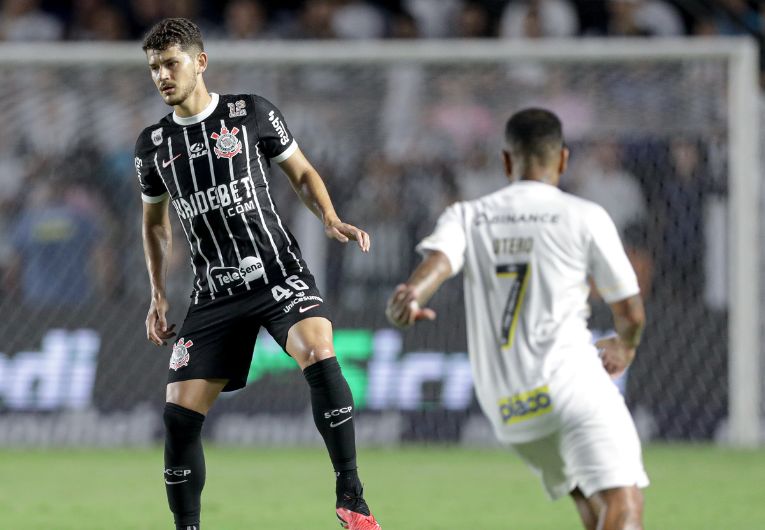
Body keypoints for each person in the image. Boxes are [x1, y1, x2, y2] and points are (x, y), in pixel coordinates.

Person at [134, 18, 380, 530]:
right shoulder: (153, 145)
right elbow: (155, 225)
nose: (161, 75)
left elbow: (303, 173)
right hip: (214, 293)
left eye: (171, 63)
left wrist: (330, 218)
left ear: (200, 62)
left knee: (317, 348)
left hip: (275, 274)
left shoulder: (250, 113)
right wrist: (158, 295)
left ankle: (352, 496)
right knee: (179, 417)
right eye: (154, 67)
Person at [386, 108, 648, 530]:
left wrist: (412, 294)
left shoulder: (468, 214)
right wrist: (626, 345)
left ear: (506, 161)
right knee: (625, 503)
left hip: (510, 408)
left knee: (590, 495)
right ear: (563, 160)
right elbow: (631, 312)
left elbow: (439, 262)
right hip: (571, 386)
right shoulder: (584, 215)